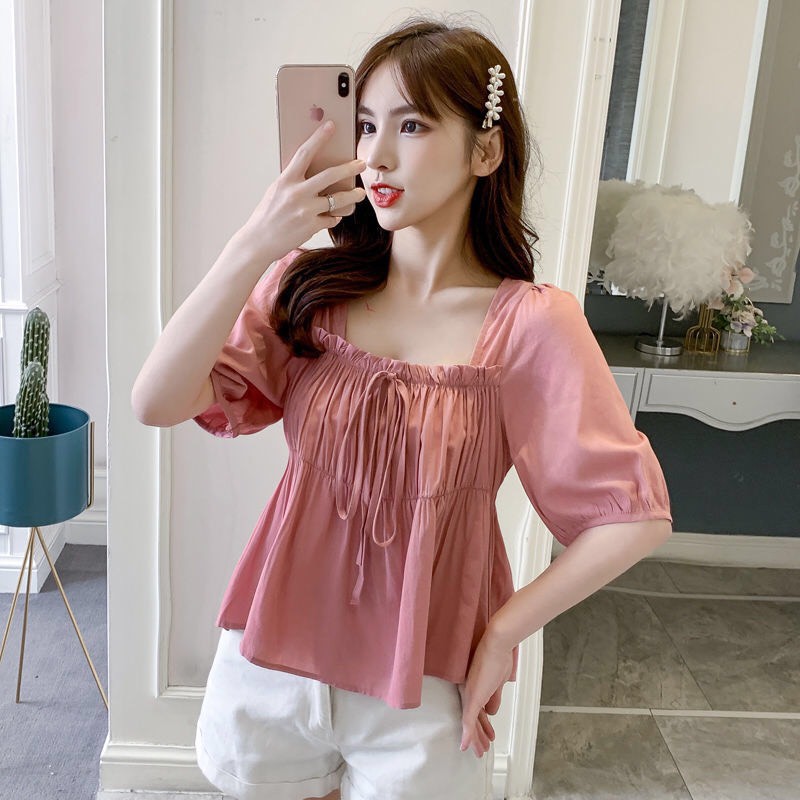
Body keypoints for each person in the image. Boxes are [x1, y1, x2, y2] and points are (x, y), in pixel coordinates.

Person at [131, 16, 673, 800]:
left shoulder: (531, 325)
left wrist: (504, 629)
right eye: (365, 125)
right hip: (273, 661)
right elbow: (156, 400)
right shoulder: (309, 290)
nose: (377, 155)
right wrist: (255, 241)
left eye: (412, 125)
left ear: (485, 151)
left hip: (423, 681)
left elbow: (634, 517)